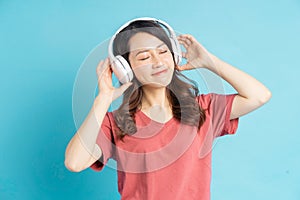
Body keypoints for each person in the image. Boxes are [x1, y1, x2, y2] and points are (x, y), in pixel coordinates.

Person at [65, 17, 272, 200]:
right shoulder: (116, 123)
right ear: (125, 69)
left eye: (163, 51)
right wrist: (102, 100)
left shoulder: (203, 109)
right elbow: (74, 162)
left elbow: (259, 96)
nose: (158, 62)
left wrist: (210, 62)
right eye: (144, 57)